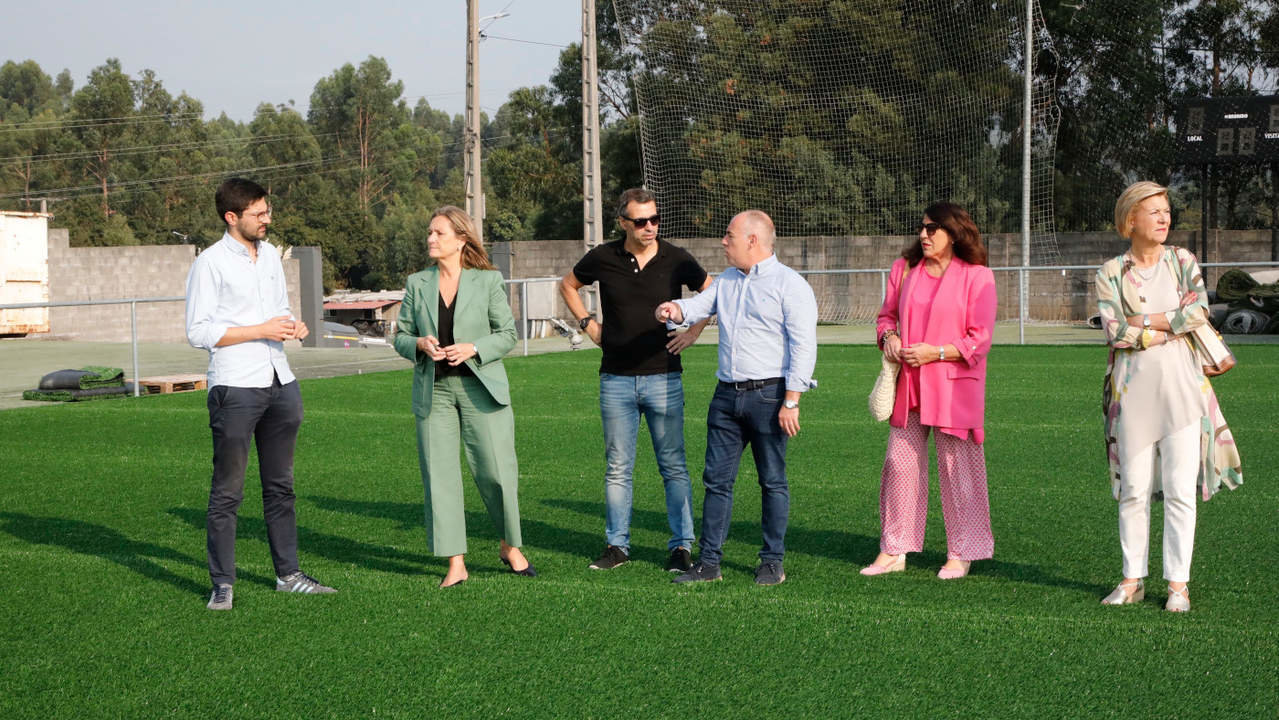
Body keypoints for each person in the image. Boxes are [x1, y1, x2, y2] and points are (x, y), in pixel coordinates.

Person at [185, 177, 336, 611]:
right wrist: (260, 331)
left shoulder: (270, 254)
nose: (267, 218)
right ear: (232, 218)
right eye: (259, 213)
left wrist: (292, 325)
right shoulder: (209, 264)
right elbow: (199, 332)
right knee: (228, 491)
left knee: (281, 487)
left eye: (267, 210)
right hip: (235, 386)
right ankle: (222, 584)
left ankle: (289, 575)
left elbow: (279, 309)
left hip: (280, 382)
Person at [1095, 181, 1242, 612]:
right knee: (1134, 490)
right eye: (1154, 211)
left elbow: (1199, 311)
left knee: (1180, 489)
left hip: (1181, 389)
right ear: (1131, 220)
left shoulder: (1183, 261)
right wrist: (1165, 329)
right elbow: (1113, 331)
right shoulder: (1111, 271)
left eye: (1166, 211)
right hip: (1132, 393)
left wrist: (1146, 322)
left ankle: (1178, 584)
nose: (1164, 218)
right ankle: (1132, 579)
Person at [656, 210, 817, 586]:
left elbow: (804, 347)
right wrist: (674, 310)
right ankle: (709, 563)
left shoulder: (790, 285)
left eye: (729, 236)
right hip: (726, 396)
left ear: (753, 241)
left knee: (772, 481)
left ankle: (772, 561)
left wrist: (791, 400)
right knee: (716, 481)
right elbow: (697, 308)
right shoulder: (727, 281)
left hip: (770, 396)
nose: (723, 242)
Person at [559, 188, 713, 573]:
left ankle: (681, 547)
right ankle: (617, 546)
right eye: (641, 221)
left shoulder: (676, 258)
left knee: (673, 466)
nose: (650, 227)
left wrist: (693, 332)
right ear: (623, 223)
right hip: (615, 379)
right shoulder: (603, 257)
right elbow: (568, 285)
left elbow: (713, 292)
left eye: (655, 219)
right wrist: (588, 324)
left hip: (664, 378)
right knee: (617, 467)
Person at [393, 205, 533, 589]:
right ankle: (456, 562)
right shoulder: (416, 283)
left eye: (439, 233)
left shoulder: (488, 281)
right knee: (440, 478)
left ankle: (510, 546)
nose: (431, 239)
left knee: (496, 473)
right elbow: (401, 336)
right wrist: (419, 344)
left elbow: (507, 333)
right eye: (429, 232)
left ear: (461, 239)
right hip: (433, 391)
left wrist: (473, 348)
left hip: (481, 388)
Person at [861, 202, 996, 580]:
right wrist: (888, 336)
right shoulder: (904, 271)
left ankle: (962, 552)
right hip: (911, 386)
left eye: (933, 228)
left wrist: (934, 353)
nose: (924, 234)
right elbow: (886, 316)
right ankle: (893, 549)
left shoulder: (978, 276)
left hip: (954, 389)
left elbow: (980, 338)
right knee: (898, 465)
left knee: (959, 471)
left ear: (953, 234)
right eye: (922, 227)